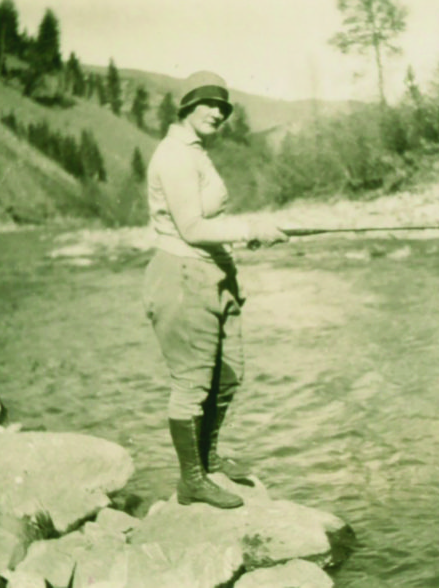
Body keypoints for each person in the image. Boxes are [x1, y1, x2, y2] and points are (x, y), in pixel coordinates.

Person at [142, 71, 288, 509]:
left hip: (213, 274)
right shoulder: (173, 156)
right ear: (185, 107)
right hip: (182, 277)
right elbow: (190, 227)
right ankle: (192, 481)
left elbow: (209, 224)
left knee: (228, 375)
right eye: (208, 104)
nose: (218, 113)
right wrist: (250, 228)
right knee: (192, 384)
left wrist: (243, 240)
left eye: (224, 107)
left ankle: (207, 459)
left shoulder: (197, 152)